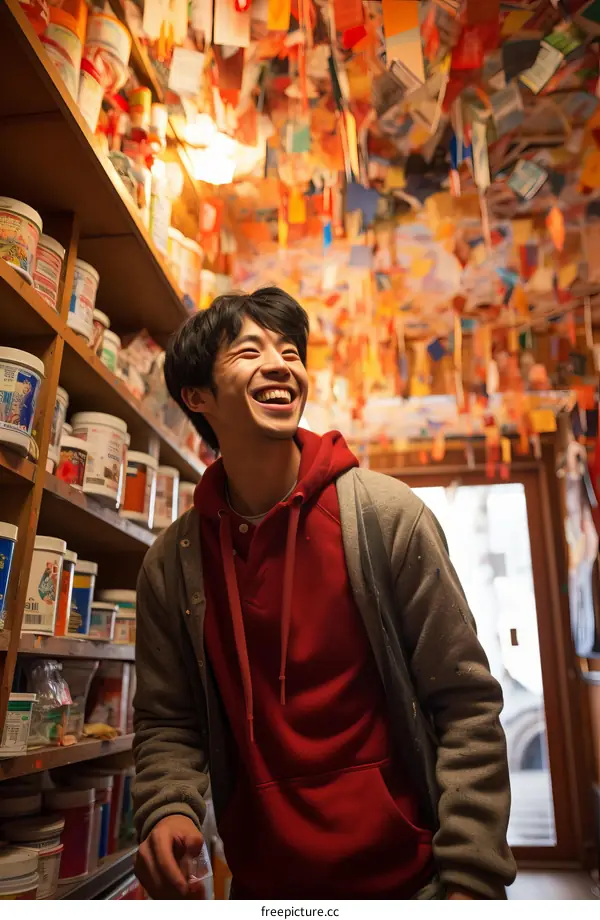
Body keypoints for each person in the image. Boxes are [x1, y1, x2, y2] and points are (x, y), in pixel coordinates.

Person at [133, 287, 516, 900]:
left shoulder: (388, 517)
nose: (282, 363)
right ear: (197, 396)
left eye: (290, 350)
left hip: (413, 885)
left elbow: (465, 704)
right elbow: (168, 720)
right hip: (264, 890)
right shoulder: (171, 566)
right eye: (249, 350)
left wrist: (471, 876)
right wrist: (168, 806)